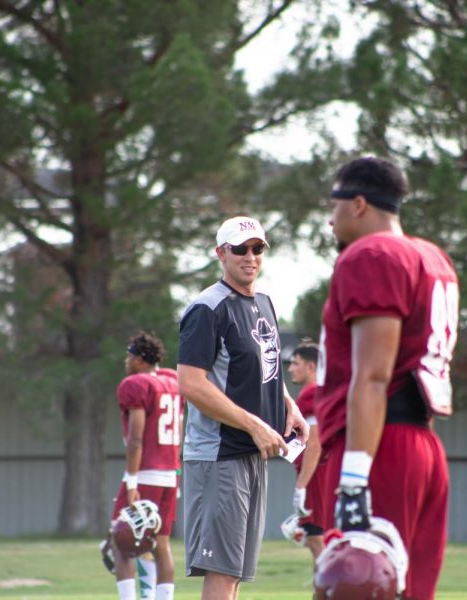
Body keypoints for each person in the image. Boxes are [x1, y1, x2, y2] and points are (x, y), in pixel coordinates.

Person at [314, 156, 459, 599]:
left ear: (358, 204)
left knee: (356, 585)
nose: (330, 216)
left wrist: (355, 477)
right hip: (422, 445)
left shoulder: (373, 253)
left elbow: (373, 375)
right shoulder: (432, 257)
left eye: (335, 204)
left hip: (378, 446)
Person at [176, 216, 309, 600]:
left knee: (234, 573)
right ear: (221, 253)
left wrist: (289, 406)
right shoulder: (207, 308)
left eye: (257, 249)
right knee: (220, 571)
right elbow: (191, 383)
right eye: (240, 249)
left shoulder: (264, 303)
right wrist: (254, 424)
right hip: (219, 455)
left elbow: (267, 368)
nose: (250, 257)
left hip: (252, 452)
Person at [108, 331, 182, 600]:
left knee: (121, 541)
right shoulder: (173, 381)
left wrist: (131, 479)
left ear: (140, 360)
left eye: (129, 356)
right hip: (170, 474)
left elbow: (136, 439)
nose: (126, 361)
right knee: (159, 544)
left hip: (147, 473)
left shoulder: (135, 385)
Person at [287, 339, 328, 562]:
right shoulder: (322, 390)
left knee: (317, 541)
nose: (291, 368)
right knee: (318, 538)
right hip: (324, 471)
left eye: (295, 363)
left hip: (318, 473)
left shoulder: (311, 393)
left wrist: (301, 486)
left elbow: (315, 442)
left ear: (311, 367)